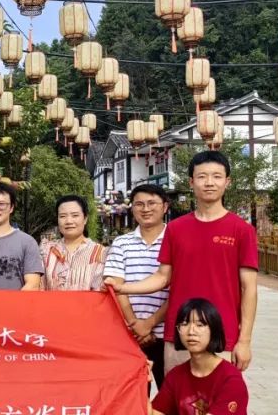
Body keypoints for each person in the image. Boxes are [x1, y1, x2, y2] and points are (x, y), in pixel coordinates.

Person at [105, 151, 258, 374]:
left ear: (227, 182)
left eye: (216, 176)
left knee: (218, 396)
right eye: (202, 176)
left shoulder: (242, 230)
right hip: (180, 333)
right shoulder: (176, 229)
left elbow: (249, 289)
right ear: (191, 182)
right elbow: (162, 277)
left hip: (221, 334)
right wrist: (122, 287)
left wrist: (244, 341)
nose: (209, 183)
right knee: (177, 395)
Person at [104, 183, 172, 415]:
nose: (146, 209)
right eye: (139, 204)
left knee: (173, 402)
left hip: (168, 336)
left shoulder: (176, 239)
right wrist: (135, 324)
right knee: (133, 405)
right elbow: (114, 285)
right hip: (130, 338)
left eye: (152, 203)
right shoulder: (121, 243)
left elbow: (177, 288)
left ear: (165, 206)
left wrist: (150, 323)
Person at [39, 194, 106, 291]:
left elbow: (100, 291)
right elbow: (39, 288)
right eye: (62, 216)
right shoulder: (46, 251)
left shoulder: (99, 252)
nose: (69, 221)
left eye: (75, 215)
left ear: (85, 219)